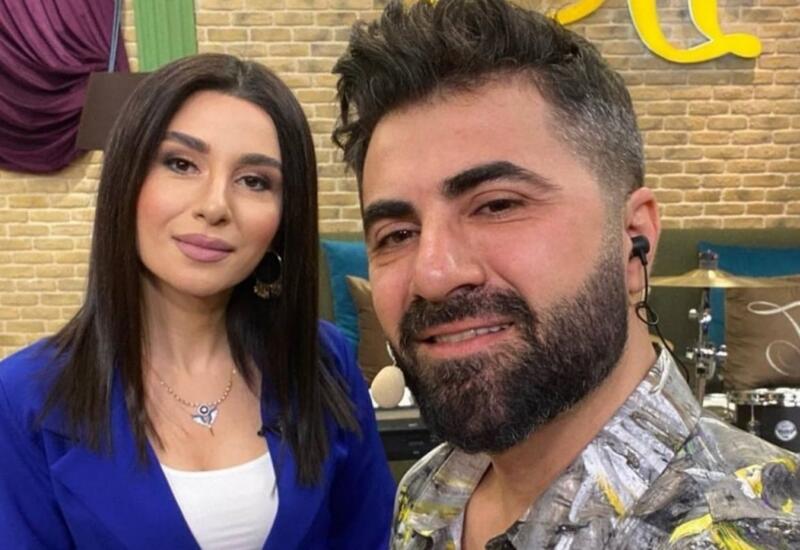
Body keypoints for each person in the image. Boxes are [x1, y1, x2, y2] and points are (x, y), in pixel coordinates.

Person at [332, 0, 800, 548]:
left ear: (634, 239)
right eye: (396, 234)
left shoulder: (751, 531)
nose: (433, 274)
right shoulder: (430, 492)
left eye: (497, 205)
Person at [0, 53, 394, 549]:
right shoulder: (24, 396)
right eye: (181, 164)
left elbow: (373, 536)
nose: (214, 206)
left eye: (254, 181)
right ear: (127, 181)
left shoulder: (323, 361)